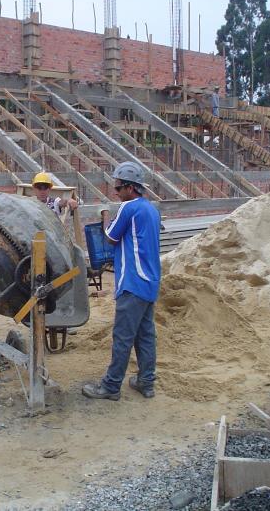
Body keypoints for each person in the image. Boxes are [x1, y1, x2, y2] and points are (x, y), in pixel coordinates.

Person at [82, 162, 161, 401]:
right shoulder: (151, 210)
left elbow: (109, 238)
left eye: (117, 188)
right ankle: (146, 382)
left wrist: (105, 214)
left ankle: (111, 386)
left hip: (132, 282)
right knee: (145, 334)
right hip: (150, 282)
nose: (115, 193)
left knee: (123, 337)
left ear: (130, 188)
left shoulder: (129, 208)